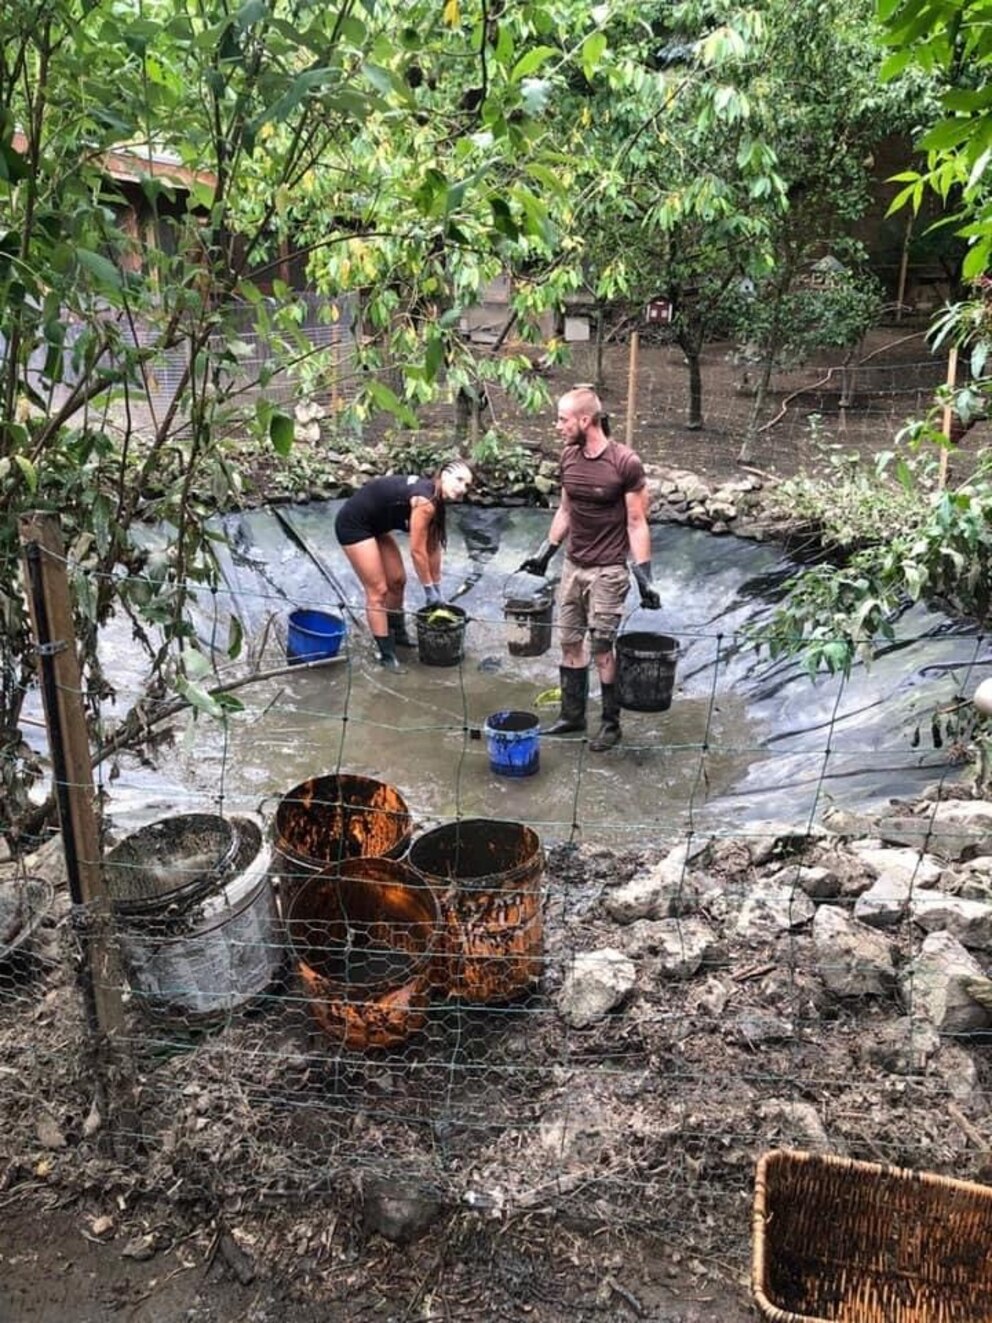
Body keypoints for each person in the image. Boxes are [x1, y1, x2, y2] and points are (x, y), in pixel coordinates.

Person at [519, 386, 659, 750]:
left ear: (586, 420)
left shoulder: (624, 462)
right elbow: (565, 511)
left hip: (609, 570)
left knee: (601, 648)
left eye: (563, 419)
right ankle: (572, 716)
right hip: (573, 566)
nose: (558, 425)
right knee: (568, 643)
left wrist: (645, 577)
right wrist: (545, 552)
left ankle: (610, 724)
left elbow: (636, 521)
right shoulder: (568, 458)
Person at [335, 459, 474, 669]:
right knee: (378, 591)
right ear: (443, 476)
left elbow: (433, 548)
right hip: (354, 524)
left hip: (377, 526)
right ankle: (386, 654)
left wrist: (438, 589)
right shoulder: (425, 502)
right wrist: (428, 591)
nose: (462, 488)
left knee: (398, 580)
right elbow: (417, 552)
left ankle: (397, 634)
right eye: (459, 480)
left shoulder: (438, 501)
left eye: (467, 485)